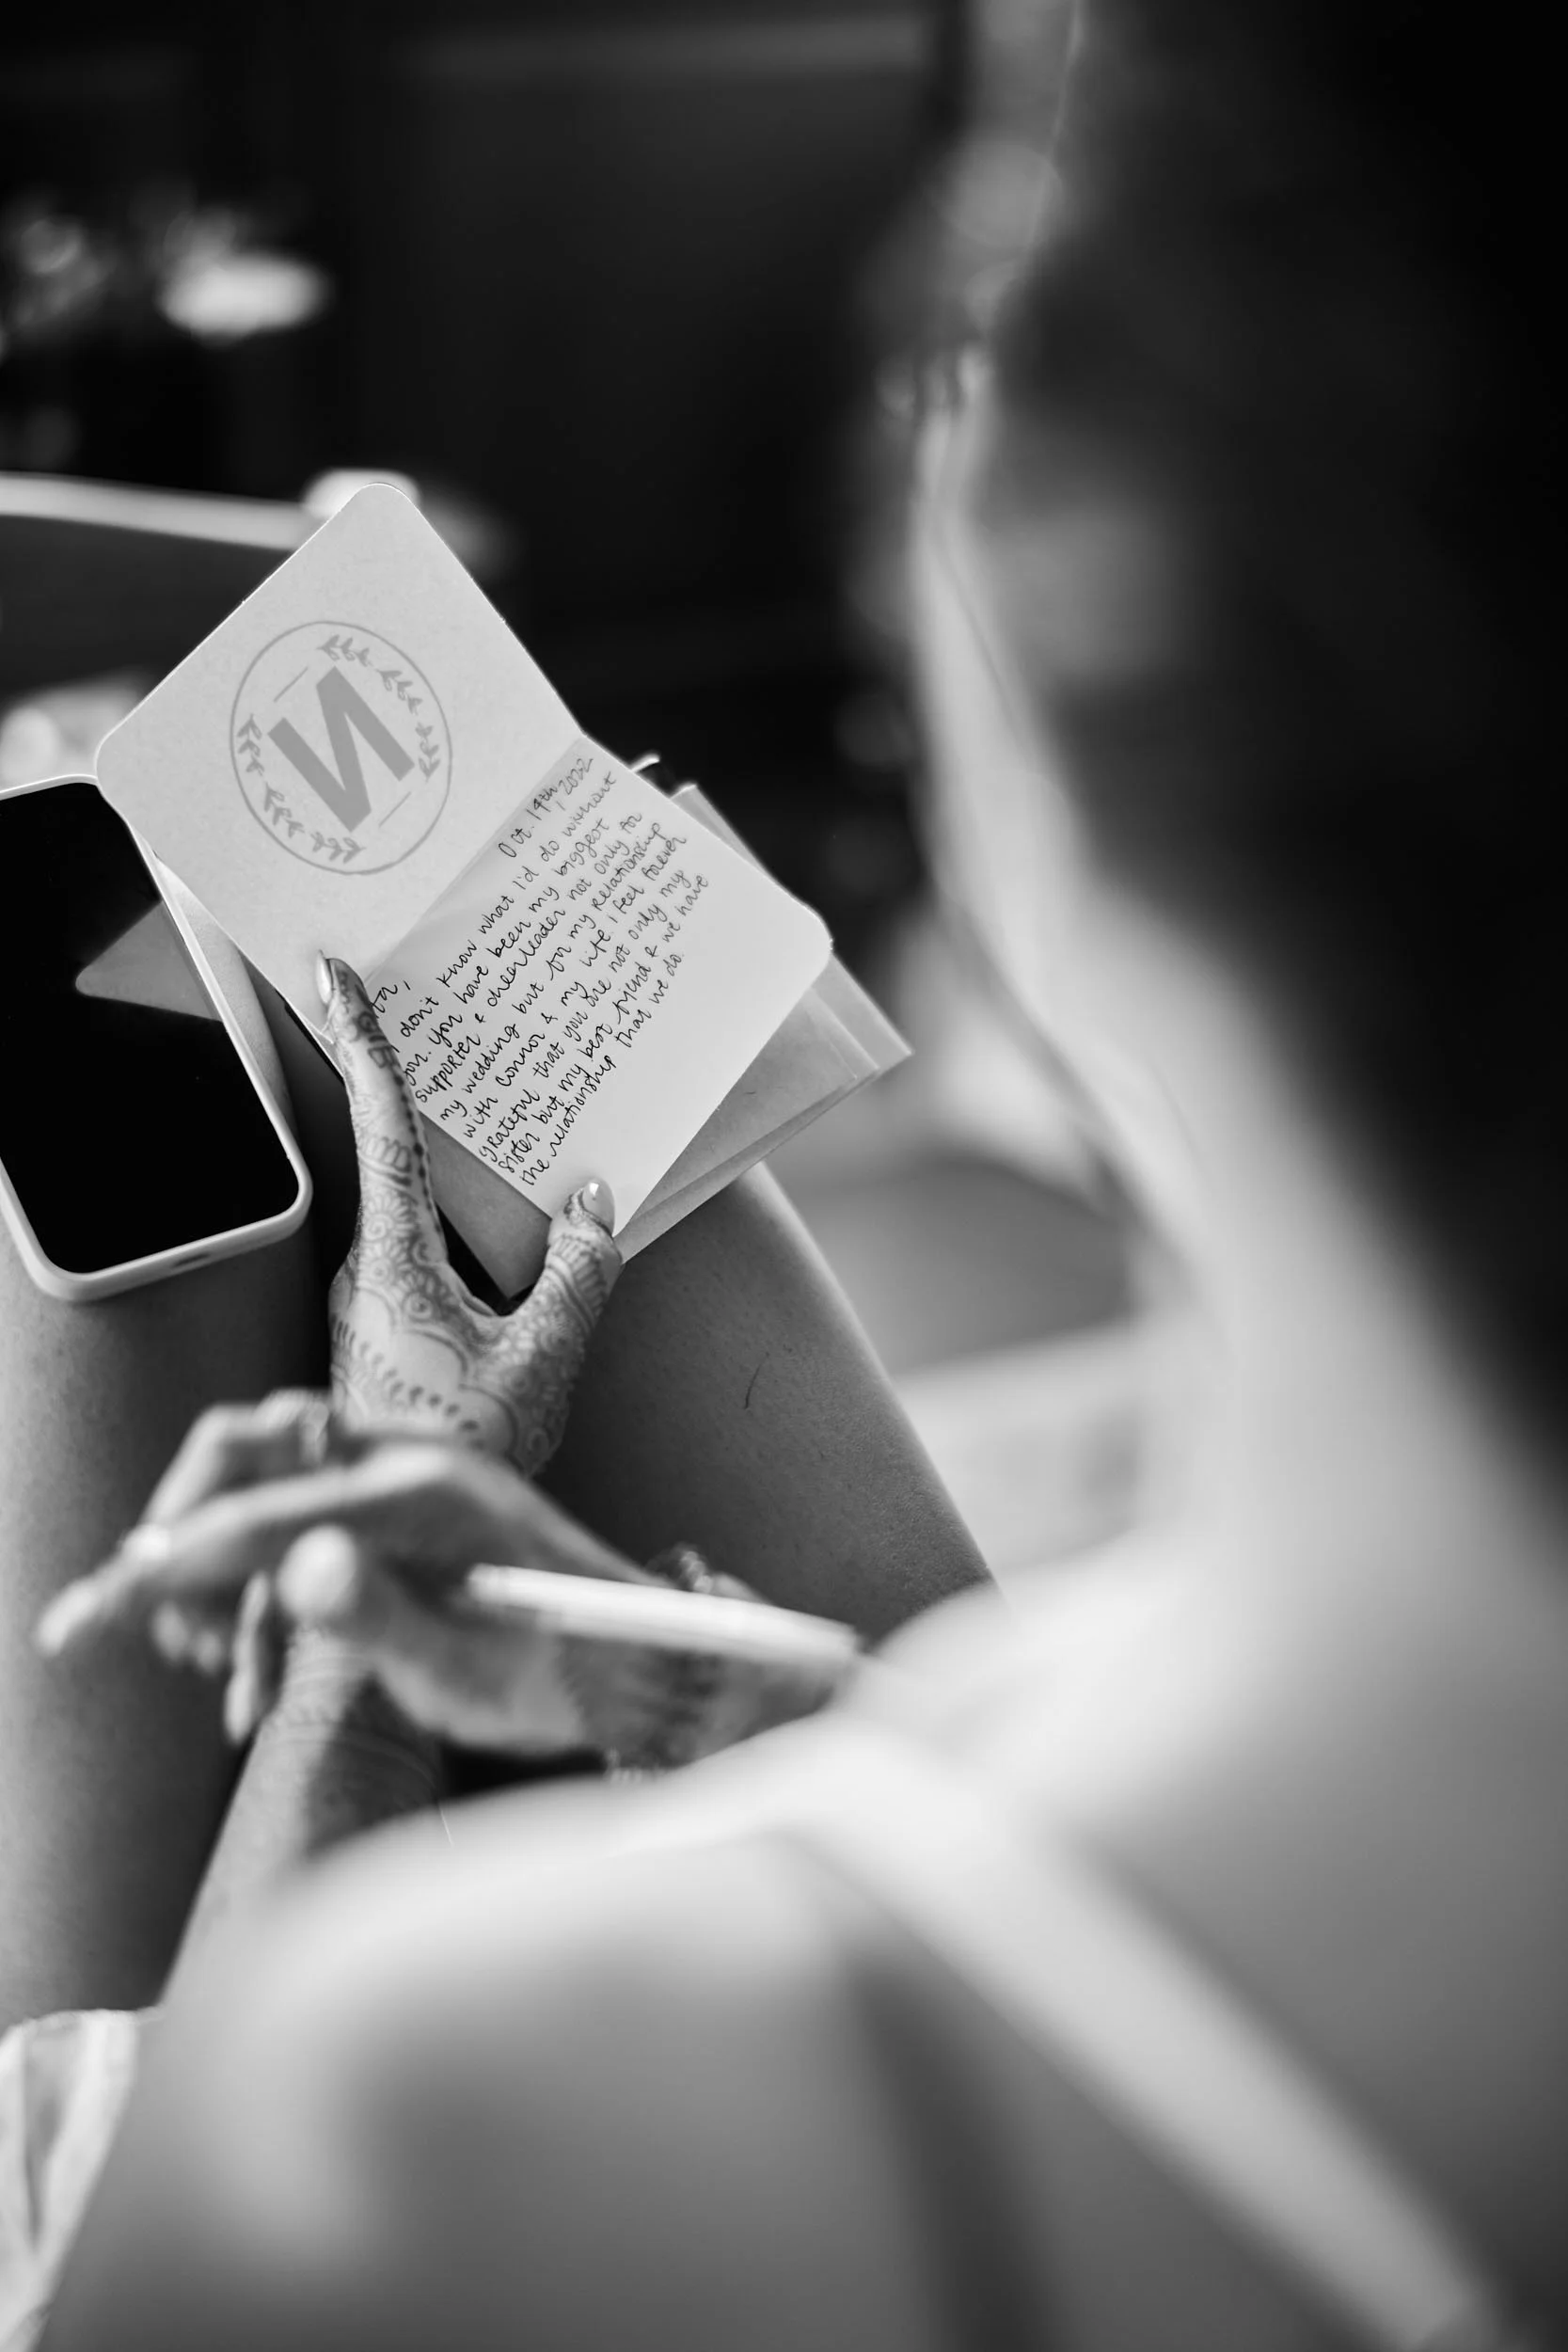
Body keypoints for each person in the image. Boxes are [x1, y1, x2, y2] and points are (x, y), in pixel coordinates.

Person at [23, 0, 1568, 2342]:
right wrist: (679, 1685)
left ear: (1007, 689)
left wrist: (381, 1596)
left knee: (254, 1005)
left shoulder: (414, 2141)